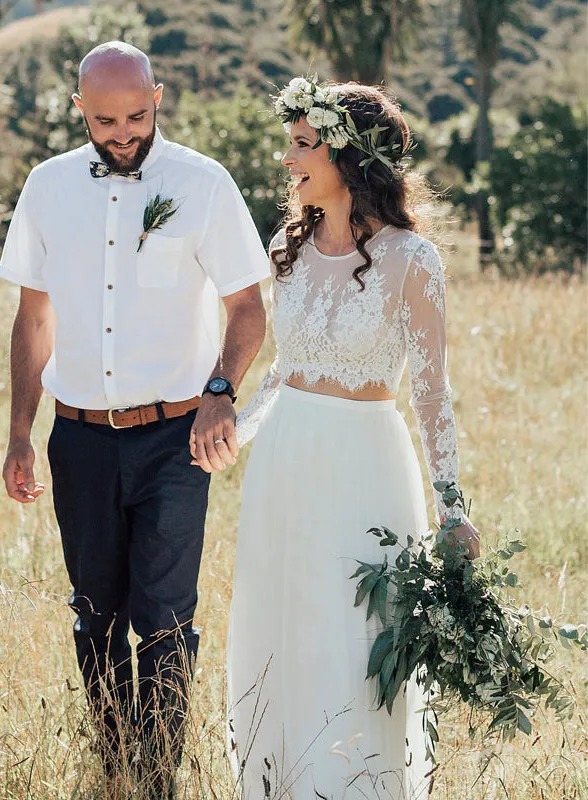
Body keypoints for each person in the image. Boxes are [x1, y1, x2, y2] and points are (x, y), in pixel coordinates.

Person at [0, 42, 269, 798]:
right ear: (78, 108)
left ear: (159, 97)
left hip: (175, 440)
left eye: (138, 117)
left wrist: (221, 389)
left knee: (166, 619)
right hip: (78, 439)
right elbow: (32, 318)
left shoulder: (202, 182)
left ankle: (157, 781)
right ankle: (114, 765)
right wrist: (21, 432)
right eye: (106, 120)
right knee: (94, 615)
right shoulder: (48, 187)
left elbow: (248, 306)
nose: (123, 134)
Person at [216, 78, 481, 799]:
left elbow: (430, 393)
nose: (287, 158)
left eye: (302, 145)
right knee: (282, 625)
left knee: (355, 637)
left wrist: (453, 507)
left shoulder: (411, 261)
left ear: (349, 156)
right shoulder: (287, 249)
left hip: (365, 464)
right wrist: (234, 431)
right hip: (285, 460)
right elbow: (285, 370)